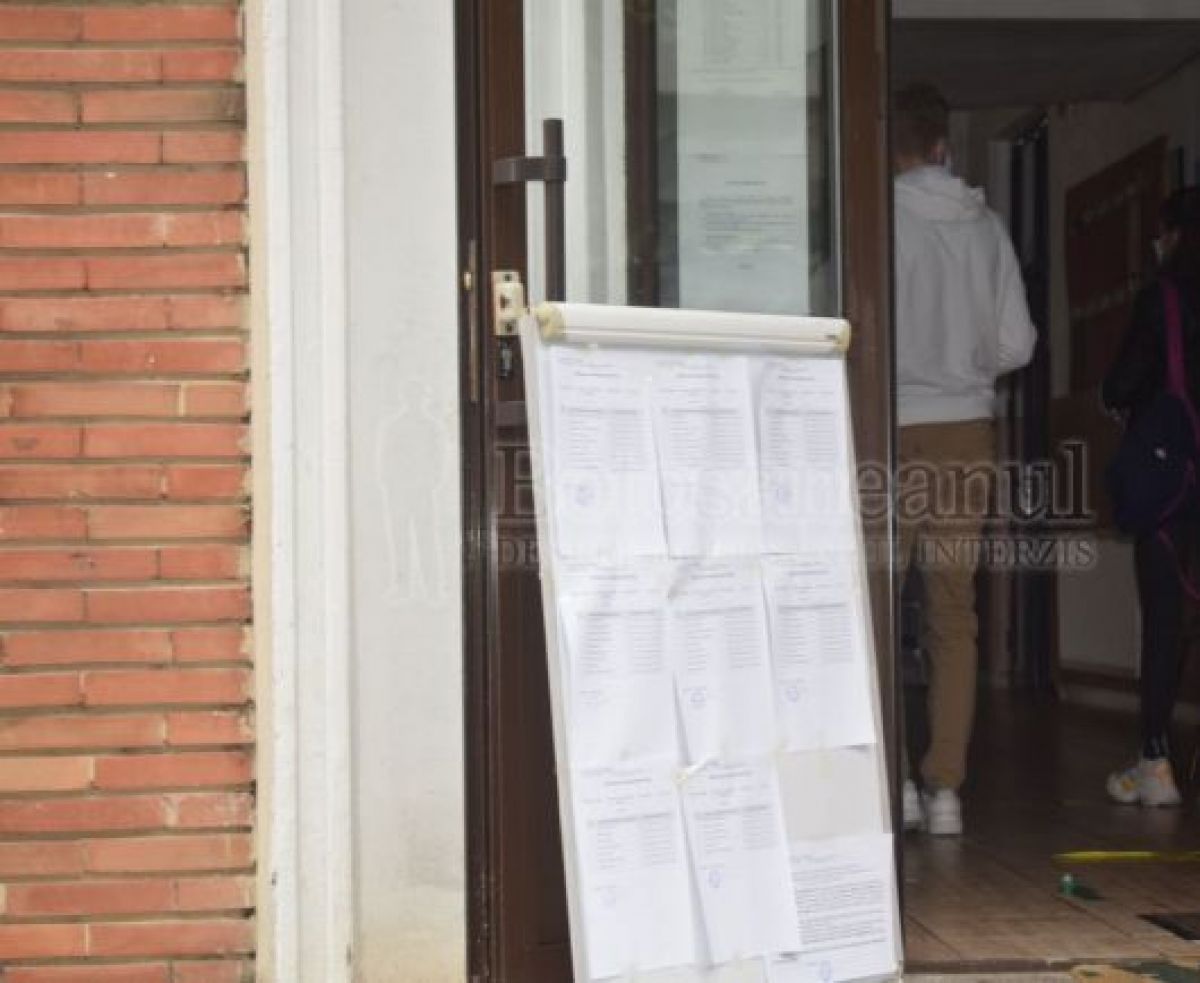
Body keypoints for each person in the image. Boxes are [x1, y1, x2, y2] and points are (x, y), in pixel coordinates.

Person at [892, 84, 1037, 835]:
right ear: (943, 145)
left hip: (889, 431)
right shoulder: (988, 228)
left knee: (878, 606)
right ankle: (945, 788)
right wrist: (966, 362)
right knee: (954, 611)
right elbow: (1019, 343)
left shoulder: (878, 220)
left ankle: (892, 785)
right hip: (967, 432)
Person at [1102, 185, 1200, 807]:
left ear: (1173, 235)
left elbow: (1120, 384)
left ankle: (1156, 762)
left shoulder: (1162, 298)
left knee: (1166, 620)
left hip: (1175, 485)